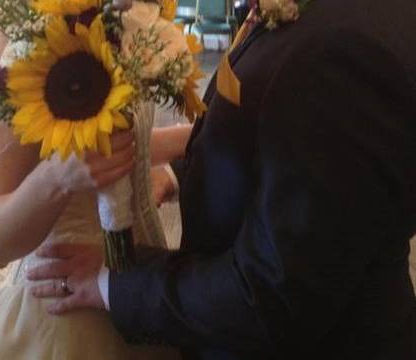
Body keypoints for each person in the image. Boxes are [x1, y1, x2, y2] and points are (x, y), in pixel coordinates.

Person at [27, 0, 416, 359]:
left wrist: (113, 284)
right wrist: (182, 174)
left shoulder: (341, 53)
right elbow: (300, 155)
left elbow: (268, 297)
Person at [0, 24, 191, 360]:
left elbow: (113, 142)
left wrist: (202, 135)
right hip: (70, 319)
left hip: (143, 291)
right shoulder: (12, 40)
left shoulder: (118, 15)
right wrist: (56, 178)